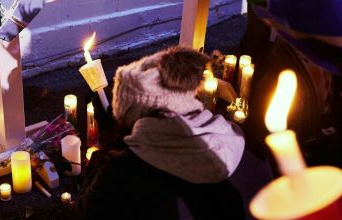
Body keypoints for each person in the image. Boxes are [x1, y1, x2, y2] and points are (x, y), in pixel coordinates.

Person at [60, 46, 246, 220]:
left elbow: (80, 214)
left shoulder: (123, 167)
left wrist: (106, 151)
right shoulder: (231, 135)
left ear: (130, 116)